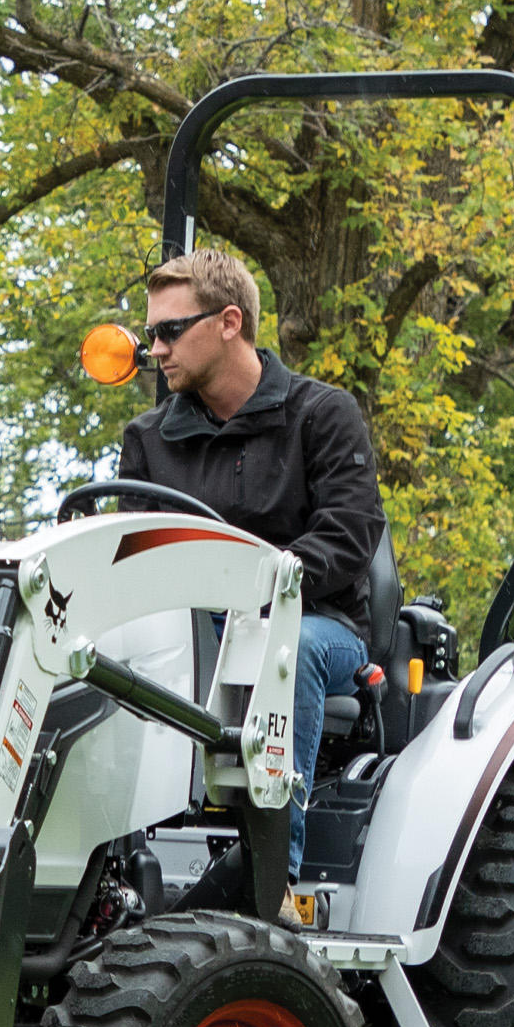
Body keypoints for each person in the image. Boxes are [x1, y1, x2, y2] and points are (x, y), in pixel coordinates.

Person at [118, 249, 385, 915]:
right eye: (151, 333)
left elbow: (349, 536)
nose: (154, 349)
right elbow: (131, 554)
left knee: (271, 648)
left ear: (230, 321)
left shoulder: (321, 415)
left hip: (316, 625)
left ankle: (270, 889)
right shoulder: (148, 440)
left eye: (169, 332)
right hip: (186, 627)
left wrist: (256, 591)